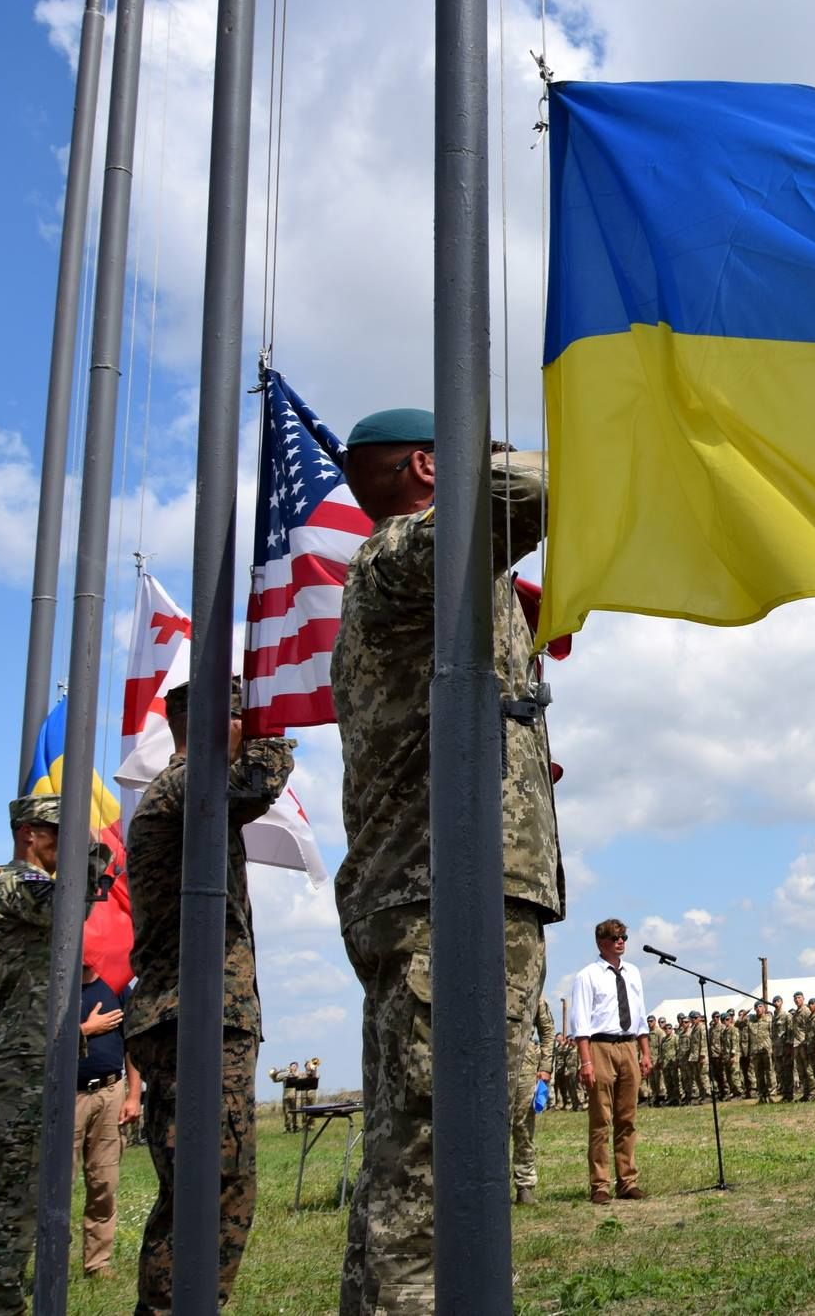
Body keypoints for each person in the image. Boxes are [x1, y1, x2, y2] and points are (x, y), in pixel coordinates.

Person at [331, 408, 564, 1311]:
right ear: (433, 467)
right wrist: (496, 459)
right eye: (472, 454)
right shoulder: (403, 559)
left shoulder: (436, 575)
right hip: (447, 902)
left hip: (452, 895)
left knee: (425, 1166)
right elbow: (535, 488)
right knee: (438, 1176)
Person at [122, 676, 290, 1311]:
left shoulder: (190, 792)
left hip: (205, 1015)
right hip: (193, 1015)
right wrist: (275, 734)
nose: (255, 731)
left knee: (218, 1184)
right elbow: (257, 781)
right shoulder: (183, 787)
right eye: (248, 719)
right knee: (207, 1185)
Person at [0, 794, 74, 1315]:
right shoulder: (9, 882)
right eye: (60, 832)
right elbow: (68, 899)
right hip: (20, 1056)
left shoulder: (36, 883)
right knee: (13, 1196)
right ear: (29, 834)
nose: (68, 845)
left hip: (38, 1054)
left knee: (30, 1191)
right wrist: (96, 851)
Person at [569, 919, 650, 1204]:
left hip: (628, 1045)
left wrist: (645, 1051)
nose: (622, 942)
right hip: (600, 1046)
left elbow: (639, 1015)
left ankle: (627, 1181)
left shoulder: (633, 973)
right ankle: (600, 1184)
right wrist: (586, 1062)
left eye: (624, 937)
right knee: (601, 1120)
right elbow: (580, 1023)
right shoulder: (587, 976)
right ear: (602, 943)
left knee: (627, 1118)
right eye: (616, 937)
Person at [73, 956, 140, 1280]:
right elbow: (41, 1041)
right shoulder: (56, 986)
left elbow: (132, 1045)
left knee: (104, 1183)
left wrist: (133, 1095)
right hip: (66, 1096)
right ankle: (50, 1261)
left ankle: (98, 1264)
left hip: (110, 1093)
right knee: (56, 1183)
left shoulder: (116, 987)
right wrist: (86, 1030)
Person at [510, 997, 556, 1204]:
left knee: (523, 1126)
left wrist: (545, 1066)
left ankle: (525, 1185)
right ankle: (492, 1184)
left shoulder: (532, 992)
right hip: (487, 1062)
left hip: (525, 1065)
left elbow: (547, 1031)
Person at [270, 1061, 304, 1133]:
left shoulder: (299, 1074)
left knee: (295, 1112)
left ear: (297, 1067)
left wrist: (293, 1074)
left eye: (295, 1066)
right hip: (286, 1096)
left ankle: (296, 1127)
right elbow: (275, 1079)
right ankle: (287, 1128)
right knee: (286, 1112)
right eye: (292, 1066)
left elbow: (301, 1077)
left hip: (296, 1096)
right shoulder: (286, 1075)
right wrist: (283, 1073)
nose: (293, 1067)